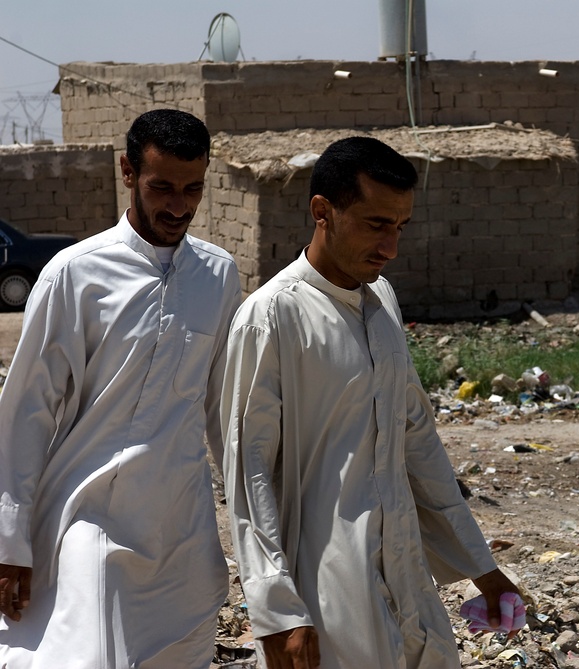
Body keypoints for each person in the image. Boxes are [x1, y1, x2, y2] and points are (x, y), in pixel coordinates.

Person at [222, 136, 521, 669]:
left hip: (405, 567)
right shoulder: (272, 315)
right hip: (328, 578)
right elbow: (250, 471)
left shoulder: (380, 299)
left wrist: (482, 568)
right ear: (323, 212)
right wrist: (279, 610)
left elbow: (417, 440)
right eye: (376, 224)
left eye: (400, 226)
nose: (391, 247)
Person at [0, 109, 243, 668]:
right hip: (89, 511)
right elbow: (27, 408)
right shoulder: (75, 273)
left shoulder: (219, 273)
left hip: (181, 522)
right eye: (162, 188)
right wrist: (10, 540)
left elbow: (223, 409)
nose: (178, 206)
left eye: (193, 189)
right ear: (128, 173)